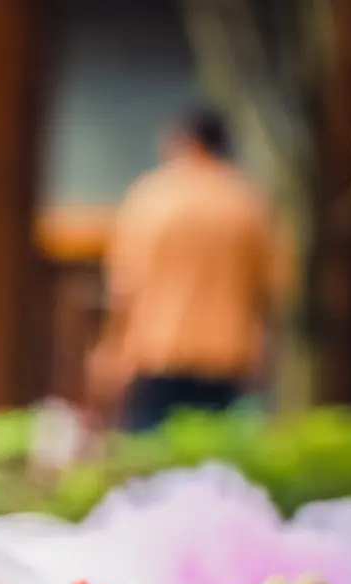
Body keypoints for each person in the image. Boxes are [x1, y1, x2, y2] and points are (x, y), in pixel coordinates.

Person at [91, 107, 283, 432]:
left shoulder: (152, 198)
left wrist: (111, 348)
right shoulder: (248, 203)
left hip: (158, 348)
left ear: (185, 141)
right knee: (216, 462)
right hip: (229, 352)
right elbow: (270, 287)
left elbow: (124, 285)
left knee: (150, 458)